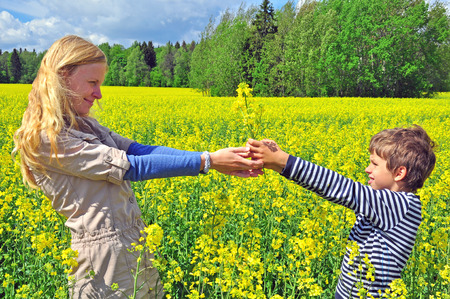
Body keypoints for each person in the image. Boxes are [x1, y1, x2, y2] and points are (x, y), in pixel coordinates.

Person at [12, 35, 263, 299]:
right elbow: (131, 166)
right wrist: (207, 162)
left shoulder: (85, 125)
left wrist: (209, 158)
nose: (99, 94)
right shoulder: (48, 140)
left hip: (133, 243)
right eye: (92, 83)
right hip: (103, 261)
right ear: (63, 76)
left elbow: (139, 151)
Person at [246, 125, 436, 299]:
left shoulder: (401, 206)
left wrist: (284, 161)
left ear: (399, 173)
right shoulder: (384, 205)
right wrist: (277, 165)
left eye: (374, 164)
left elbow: (341, 188)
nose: (367, 169)